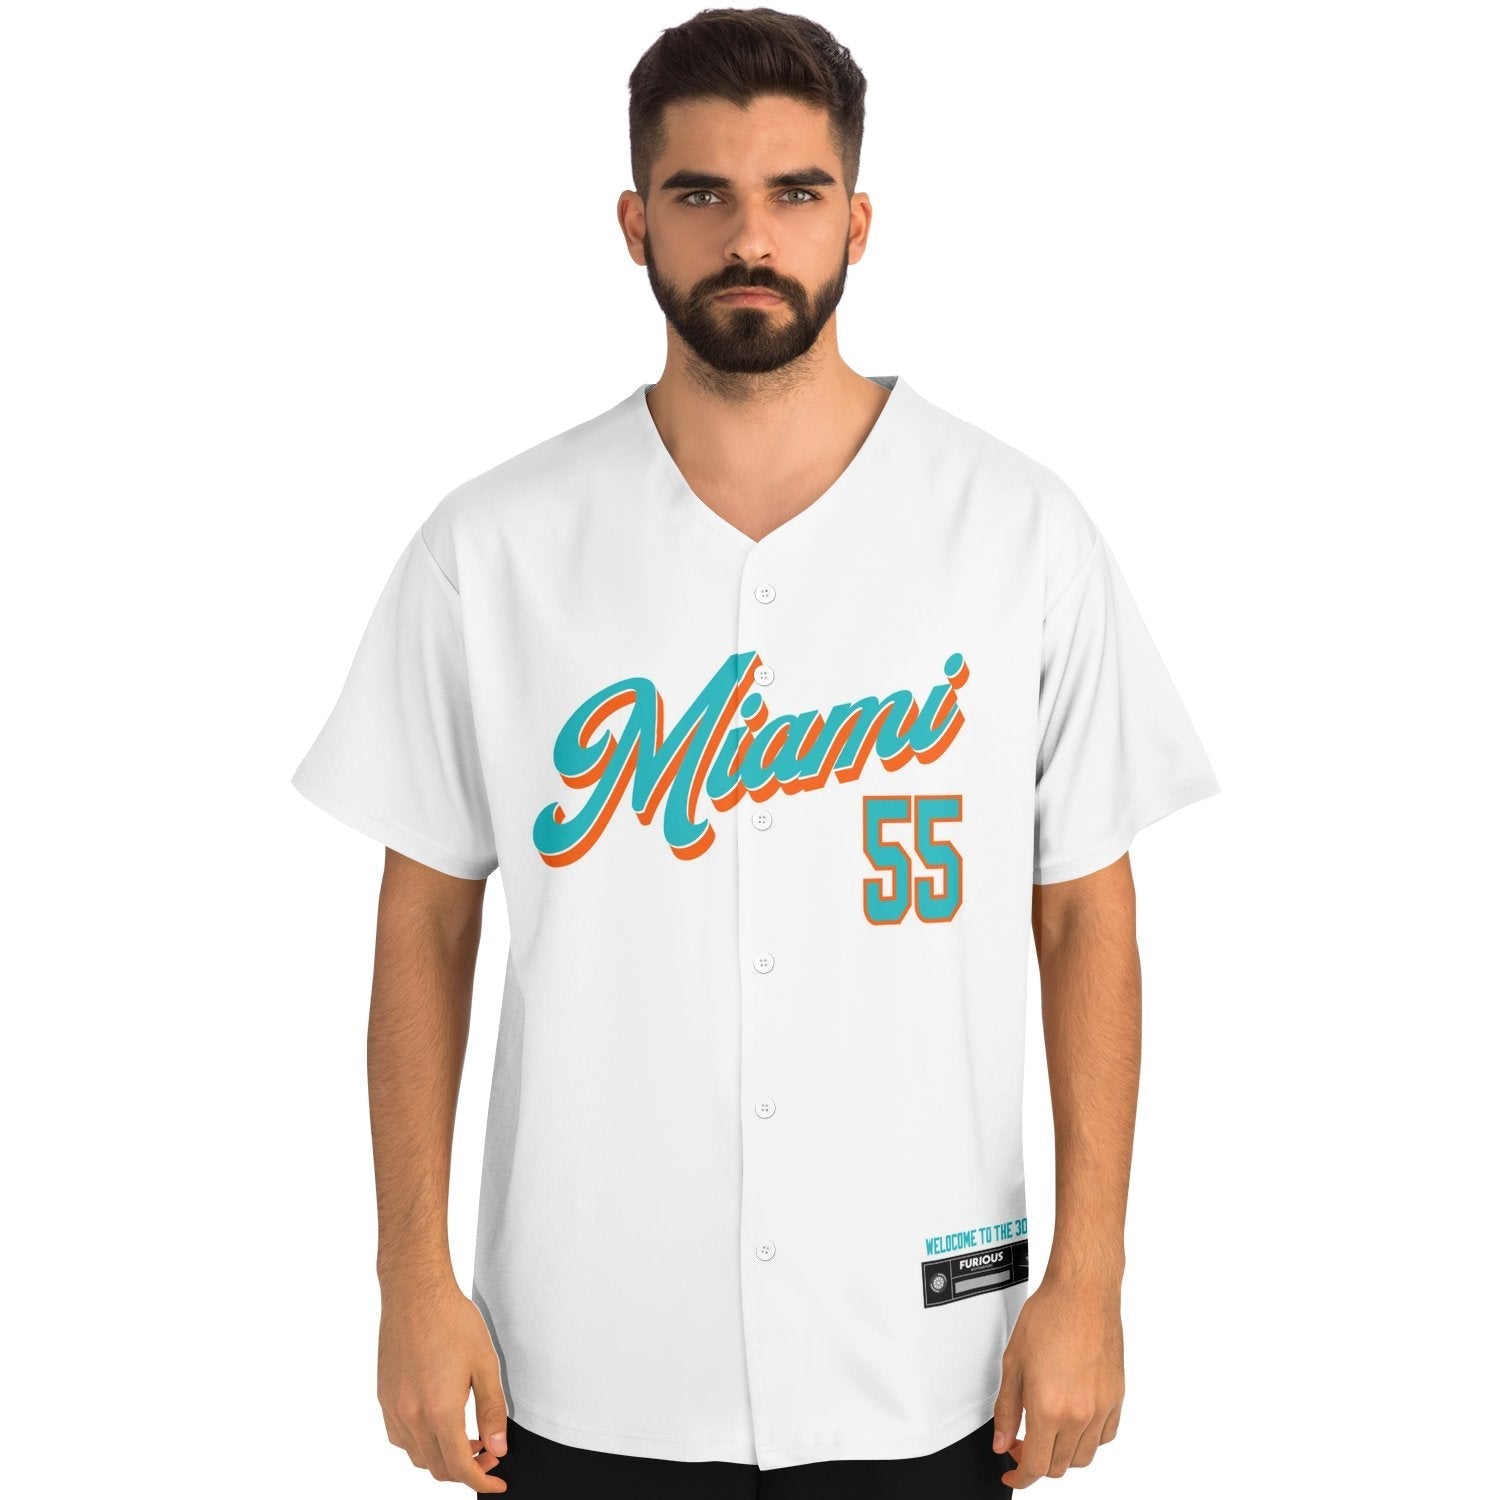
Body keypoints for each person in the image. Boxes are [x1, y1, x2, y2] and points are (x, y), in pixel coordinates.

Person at [290, 7, 1221, 1494]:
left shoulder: (1019, 532)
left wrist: (1090, 1277)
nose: (749, 237)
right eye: (700, 193)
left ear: (858, 219)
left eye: (794, 191)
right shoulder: (497, 546)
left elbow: (1083, 914)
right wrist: (411, 1279)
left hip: (931, 1360)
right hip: (580, 1363)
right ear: (633, 224)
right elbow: (425, 922)